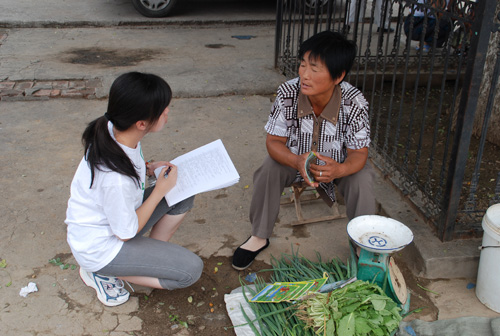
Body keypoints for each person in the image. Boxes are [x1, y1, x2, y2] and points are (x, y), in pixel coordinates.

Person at [232, 31, 376, 271]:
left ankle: (362, 245)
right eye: (302, 65)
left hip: (337, 164)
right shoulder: (287, 93)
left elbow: (359, 154)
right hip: (294, 161)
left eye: (315, 69)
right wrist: (296, 161)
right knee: (269, 168)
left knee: (362, 177)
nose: (304, 75)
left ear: (338, 76)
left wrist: (339, 168)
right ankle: (259, 236)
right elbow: (274, 142)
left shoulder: (355, 102)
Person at [65, 72, 203, 306]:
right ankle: (102, 272)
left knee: (182, 192)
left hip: (116, 220)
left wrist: (149, 168)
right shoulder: (115, 178)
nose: (167, 112)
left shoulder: (113, 127)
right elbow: (125, 232)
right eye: (163, 110)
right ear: (141, 124)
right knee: (190, 271)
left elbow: (129, 169)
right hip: (101, 247)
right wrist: (159, 189)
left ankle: (147, 257)